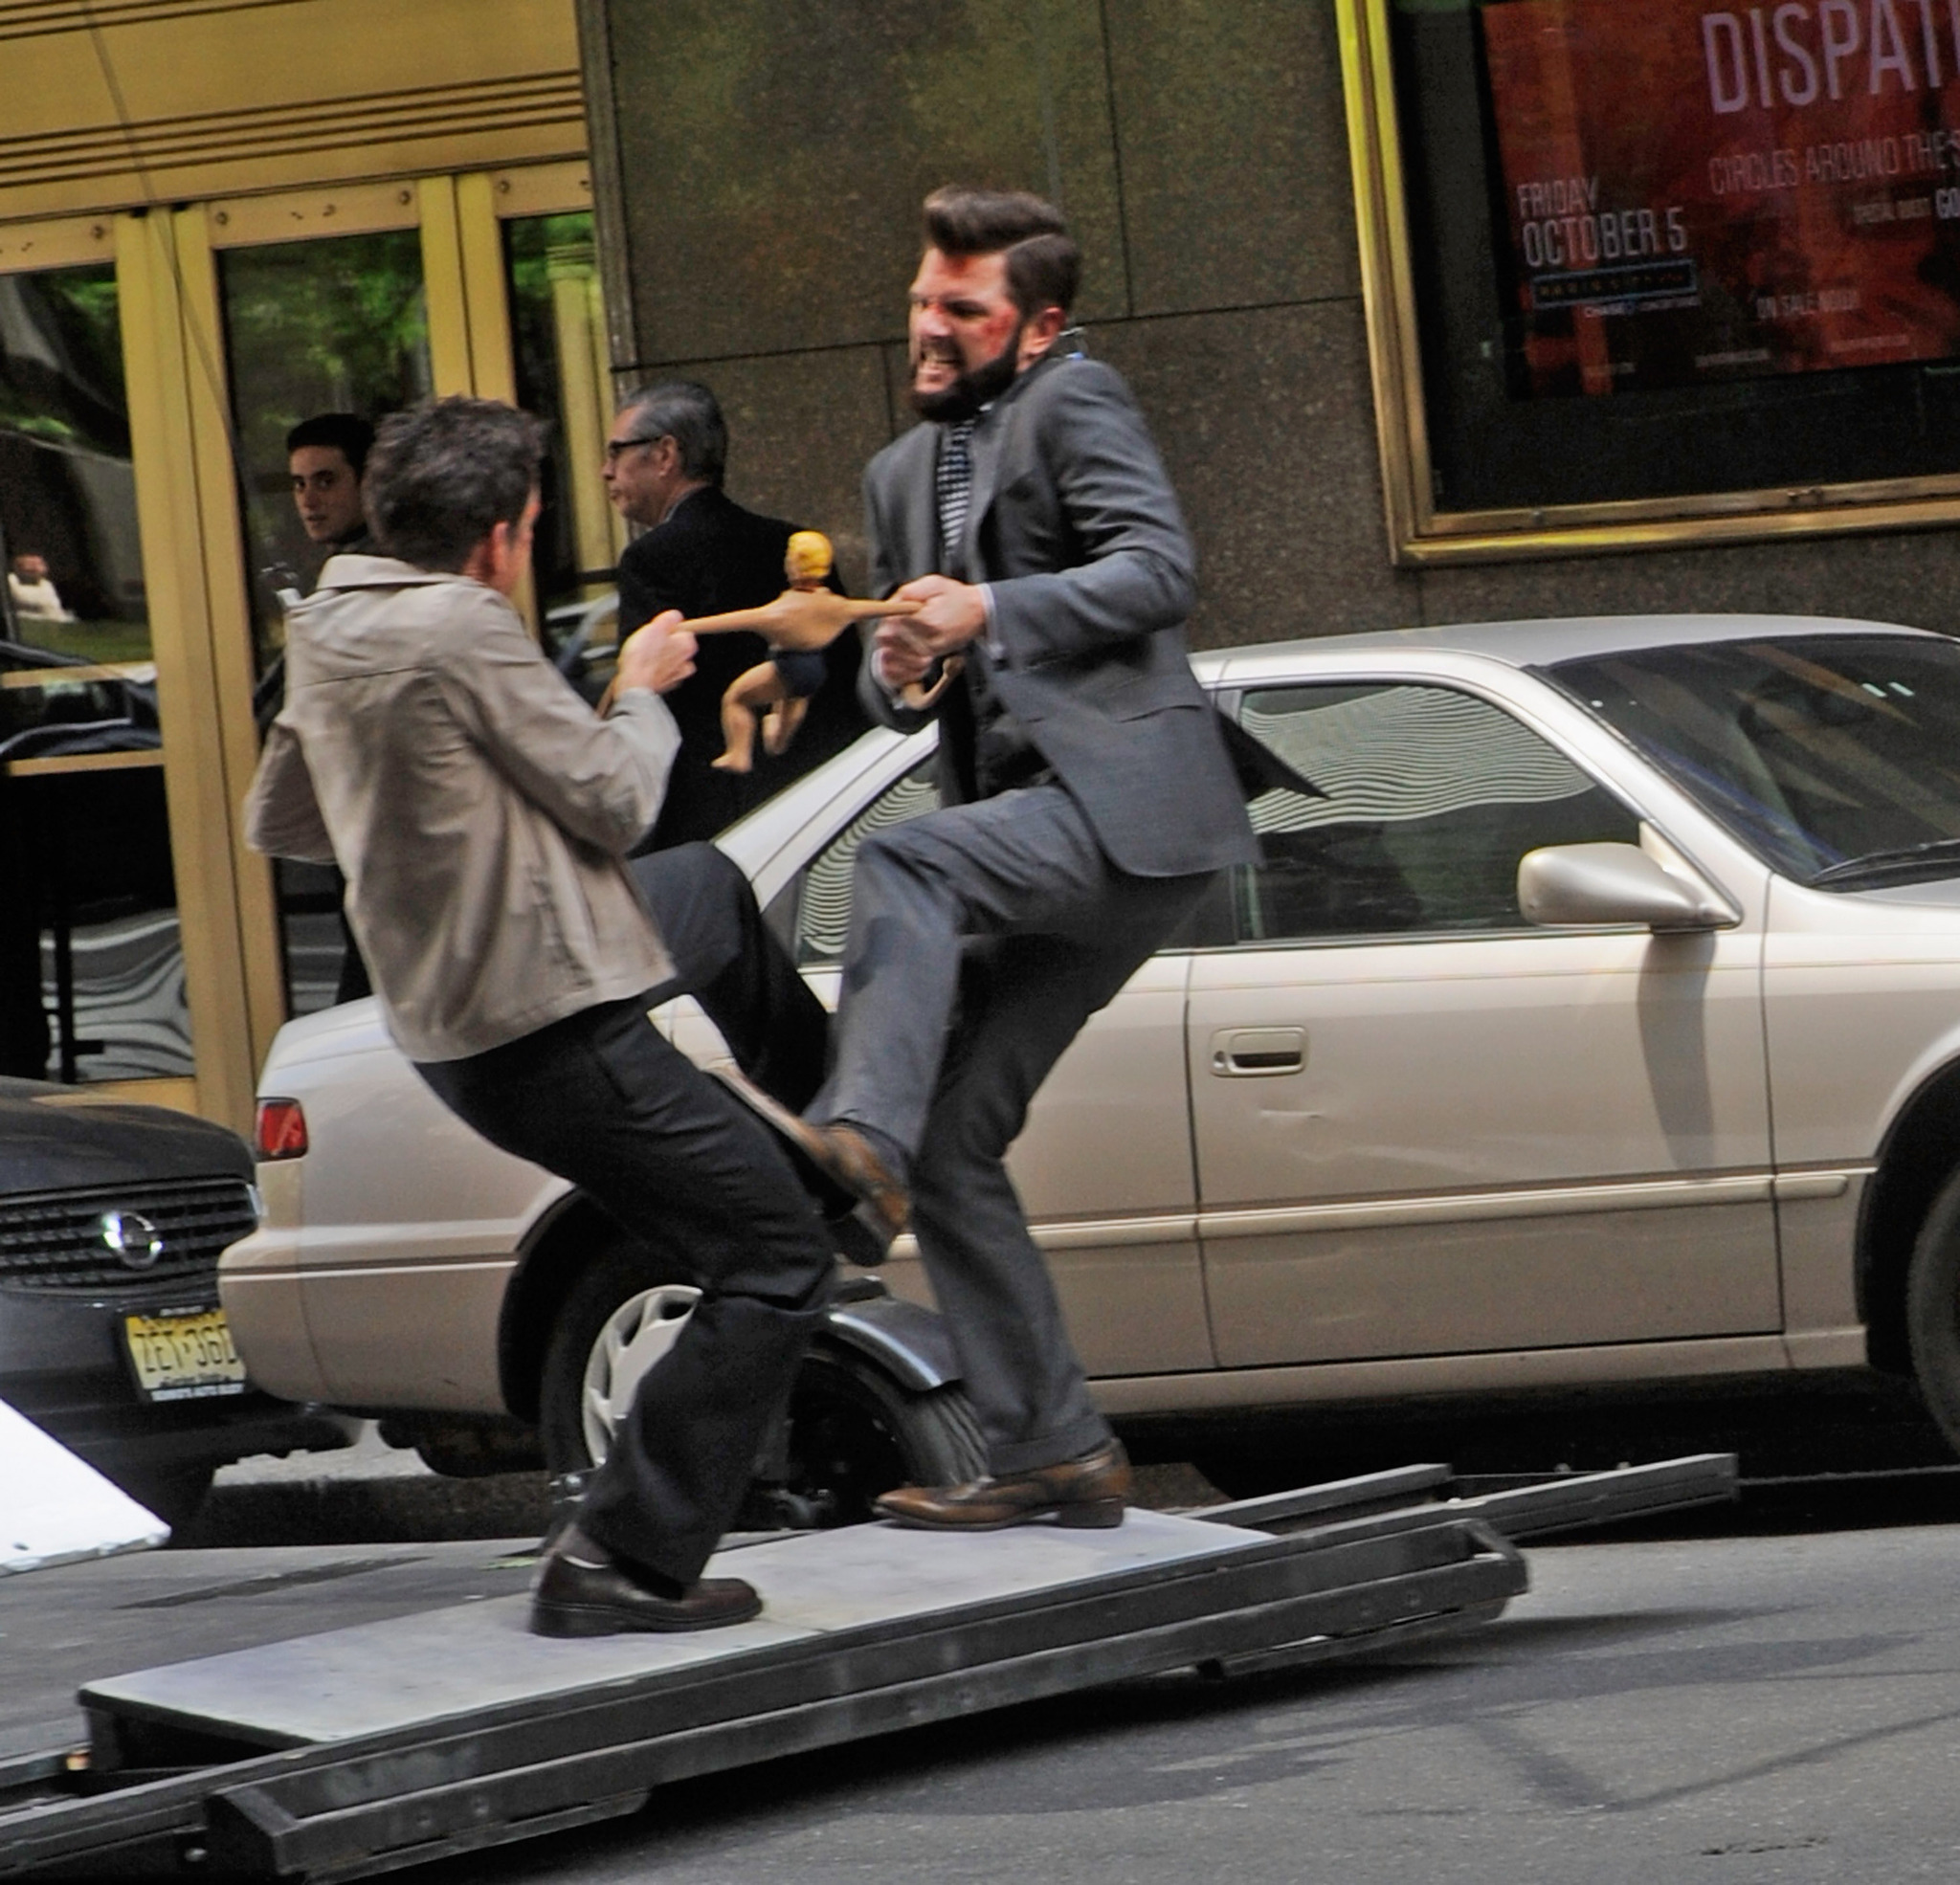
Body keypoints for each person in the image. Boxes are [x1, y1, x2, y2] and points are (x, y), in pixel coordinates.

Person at [244, 396, 837, 1635]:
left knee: (707, 897)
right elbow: (617, 796)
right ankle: (619, 1556)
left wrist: (438, 815)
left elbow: (284, 825)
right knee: (778, 1254)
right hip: (548, 1017)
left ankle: (815, 1139)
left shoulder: (327, 621)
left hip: (453, 1023)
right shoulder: (461, 623)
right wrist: (642, 684)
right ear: (504, 537)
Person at [768, 186, 1259, 1534]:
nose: (929, 329)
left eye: (963, 311)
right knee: (962, 1143)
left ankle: (857, 1139)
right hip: (1036, 828)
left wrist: (994, 606)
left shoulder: (1077, 401)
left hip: (1122, 809)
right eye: (924, 301)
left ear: (1038, 327)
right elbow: (906, 700)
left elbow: (1158, 569)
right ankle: (1056, 1448)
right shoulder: (895, 473)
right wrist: (902, 669)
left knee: (907, 868)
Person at [603, 381, 867, 845]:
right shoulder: (793, 544)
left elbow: (648, 699)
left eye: (617, 452)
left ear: (666, 455)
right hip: (820, 808)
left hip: (709, 823)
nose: (606, 471)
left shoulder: (649, 560)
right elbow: (844, 688)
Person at [286, 412, 375, 561]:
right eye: (300, 484)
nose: (308, 501)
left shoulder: (391, 568)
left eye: (325, 483)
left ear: (366, 482)